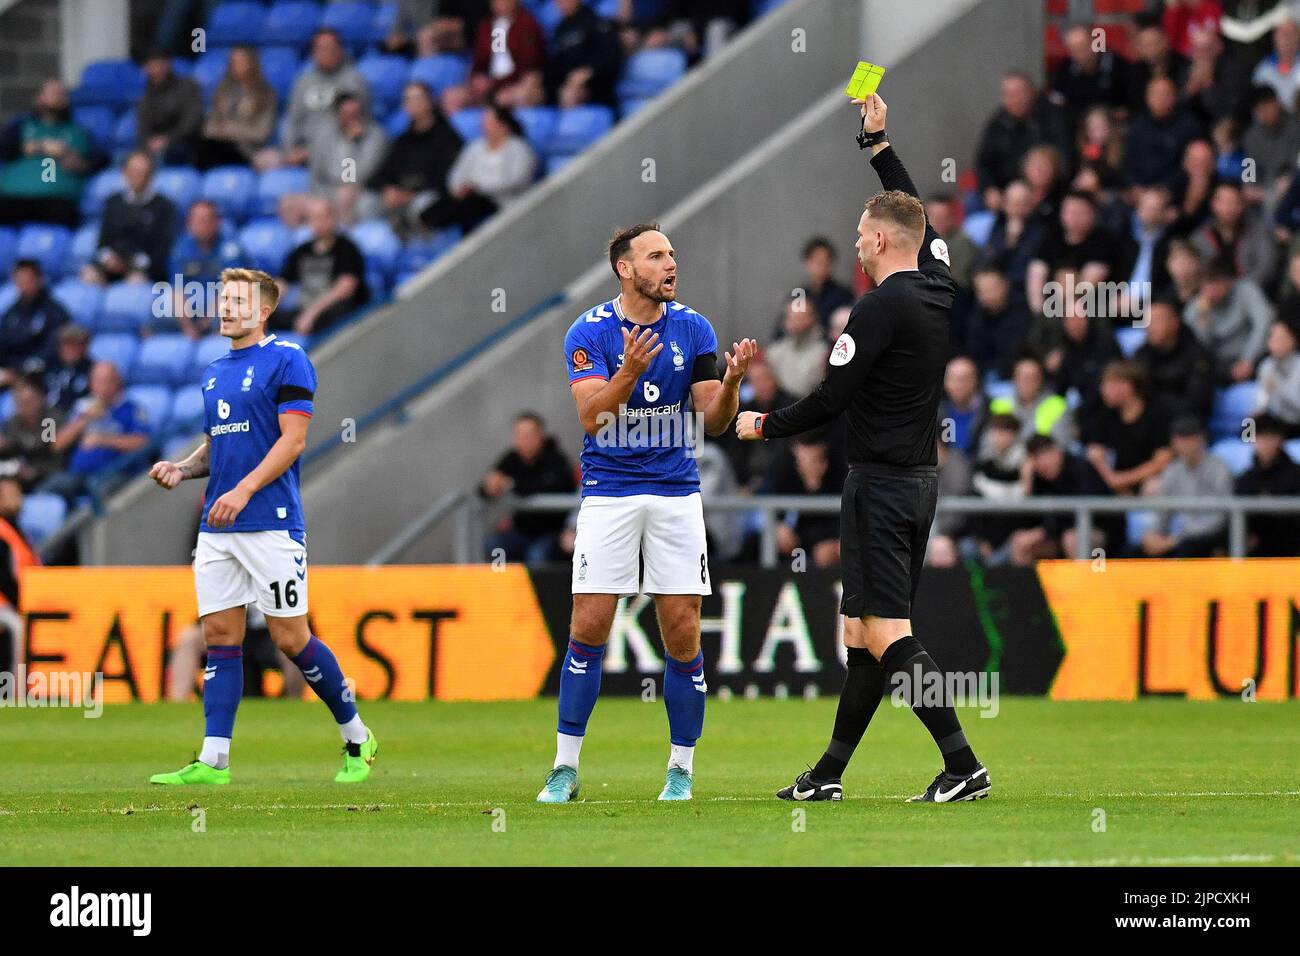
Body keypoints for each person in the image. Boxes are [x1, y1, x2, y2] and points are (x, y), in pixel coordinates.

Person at [737, 92, 990, 804]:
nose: (855, 241)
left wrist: (763, 424)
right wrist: (877, 144)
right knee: (862, 630)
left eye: (859, 232)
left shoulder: (877, 308)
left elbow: (829, 399)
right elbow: (912, 209)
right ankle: (830, 774)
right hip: (917, 482)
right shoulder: (938, 284)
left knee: (883, 630)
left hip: (878, 484)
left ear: (879, 243)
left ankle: (962, 762)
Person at [537, 222, 756, 804]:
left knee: (682, 631)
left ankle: (680, 769)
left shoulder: (694, 328)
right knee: (588, 626)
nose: (670, 264)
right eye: (656, 256)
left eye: (672, 255)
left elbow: (712, 419)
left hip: (676, 493)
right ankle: (565, 768)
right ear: (625, 268)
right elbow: (592, 418)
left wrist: (731, 384)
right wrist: (629, 373)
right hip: (609, 490)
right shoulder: (589, 331)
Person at [145, 267, 377, 785]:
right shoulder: (214, 371)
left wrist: (244, 489)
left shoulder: (288, 359)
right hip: (217, 526)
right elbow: (219, 444)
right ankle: (214, 759)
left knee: (291, 638)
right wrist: (183, 469)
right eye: (223, 300)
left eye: (237, 301)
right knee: (218, 635)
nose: (225, 308)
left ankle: (358, 737)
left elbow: (292, 441)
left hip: (270, 523)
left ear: (265, 310)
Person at [419, 104, 535, 233]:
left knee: (466, 206)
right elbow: (457, 174)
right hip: (471, 194)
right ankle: (426, 225)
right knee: (440, 204)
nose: (484, 127)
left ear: (503, 125)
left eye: (489, 123)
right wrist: (460, 188)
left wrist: (478, 186)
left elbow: (516, 180)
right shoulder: (475, 148)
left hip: (500, 199)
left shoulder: (519, 149)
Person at [368, 81, 464, 238]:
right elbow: (382, 173)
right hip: (401, 195)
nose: (413, 104)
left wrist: (410, 195)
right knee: (369, 202)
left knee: (423, 204)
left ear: (430, 101)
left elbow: (447, 178)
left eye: (418, 98)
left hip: (432, 197)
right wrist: (387, 189)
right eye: (408, 100)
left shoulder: (447, 137)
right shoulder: (403, 140)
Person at [45, 360, 150, 503]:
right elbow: (56, 445)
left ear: (117, 382)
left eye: (107, 381)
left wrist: (102, 440)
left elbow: (142, 442)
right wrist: (84, 420)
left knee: (103, 493)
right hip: (79, 476)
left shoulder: (130, 409)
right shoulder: (82, 409)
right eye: (97, 381)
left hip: (115, 472)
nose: (102, 386)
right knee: (49, 488)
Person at [268, 29, 370, 171]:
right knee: (264, 161)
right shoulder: (304, 81)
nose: (326, 53)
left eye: (330, 48)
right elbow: (293, 119)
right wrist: (290, 149)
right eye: (320, 49)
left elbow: (356, 126)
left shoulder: (354, 81)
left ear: (340, 50)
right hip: (302, 150)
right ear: (313, 53)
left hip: (338, 152)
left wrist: (313, 152)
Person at [480, 411, 576, 562]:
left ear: (540, 436)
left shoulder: (555, 459)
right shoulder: (511, 459)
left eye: (529, 435)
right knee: (495, 546)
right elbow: (485, 489)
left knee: (537, 556)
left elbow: (550, 485)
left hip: (552, 532)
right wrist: (491, 486)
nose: (524, 440)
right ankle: (503, 585)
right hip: (521, 531)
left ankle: (538, 586)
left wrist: (511, 484)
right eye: (519, 435)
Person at [0, 78, 91, 227]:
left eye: (61, 94)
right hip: (12, 198)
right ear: (39, 98)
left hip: (54, 201)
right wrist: (40, 146)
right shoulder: (20, 127)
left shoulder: (77, 132)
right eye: (52, 93)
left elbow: (89, 163)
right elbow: (6, 148)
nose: (57, 97)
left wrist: (64, 153)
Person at [1141, 415, 1234, 557]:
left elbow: (1220, 518)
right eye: (1180, 440)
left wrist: (1177, 539)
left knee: (1187, 549)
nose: (1185, 444)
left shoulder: (1219, 468)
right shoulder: (1172, 470)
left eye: (1189, 439)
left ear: (1201, 438)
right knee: (1133, 553)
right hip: (1181, 539)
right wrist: (1154, 535)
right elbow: (1163, 511)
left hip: (1210, 538)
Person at [275, 198, 369, 336]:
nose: (318, 223)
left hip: (333, 309)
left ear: (332, 218)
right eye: (313, 219)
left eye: (322, 217)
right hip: (305, 308)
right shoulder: (302, 250)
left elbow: (345, 288)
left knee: (331, 316)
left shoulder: (347, 248)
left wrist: (311, 313)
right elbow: (283, 282)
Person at [1082, 359, 1174, 496]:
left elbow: (1162, 460)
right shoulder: (1104, 416)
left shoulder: (1158, 414)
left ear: (1127, 386)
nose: (1102, 390)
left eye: (1108, 384)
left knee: (1155, 486)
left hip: (1146, 481)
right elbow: (1095, 453)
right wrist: (1112, 479)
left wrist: (1123, 480)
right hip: (1115, 486)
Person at [92, 150, 178, 284]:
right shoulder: (112, 202)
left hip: (145, 268)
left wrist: (134, 262)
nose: (138, 176)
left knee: (135, 284)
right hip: (113, 264)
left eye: (143, 172)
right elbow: (102, 242)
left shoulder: (164, 206)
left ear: (151, 175)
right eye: (133, 171)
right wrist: (108, 258)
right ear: (124, 173)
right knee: (89, 276)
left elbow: (163, 248)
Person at [193, 45, 278, 170]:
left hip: (245, 148)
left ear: (251, 64)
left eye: (240, 61)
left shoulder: (265, 94)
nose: (235, 65)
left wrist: (229, 131)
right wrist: (218, 133)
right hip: (217, 146)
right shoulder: (221, 92)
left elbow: (262, 132)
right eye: (232, 62)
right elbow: (209, 126)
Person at [170, 200, 245, 339]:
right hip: (193, 306)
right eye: (196, 220)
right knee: (158, 315)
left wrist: (204, 323)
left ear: (217, 222)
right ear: (188, 223)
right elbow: (177, 289)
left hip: (223, 304)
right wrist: (187, 328)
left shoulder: (230, 249)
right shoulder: (181, 248)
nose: (201, 225)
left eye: (206, 220)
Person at [1235, 412, 1300, 555]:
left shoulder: (1296, 475)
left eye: (1270, 436)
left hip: (1291, 551)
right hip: (1255, 554)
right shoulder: (1246, 479)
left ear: (1280, 439)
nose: (1265, 443)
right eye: (1260, 437)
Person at [0, 260, 69, 386]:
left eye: (28, 280)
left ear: (39, 279)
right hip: (9, 372)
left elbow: (51, 351)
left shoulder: (54, 312)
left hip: (39, 377)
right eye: (20, 280)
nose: (24, 285)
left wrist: (18, 371)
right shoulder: (11, 312)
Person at [136, 50, 204, 165]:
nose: (155, 69)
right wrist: (148, 143)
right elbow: (143, 126)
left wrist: (168, 139)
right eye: (151, 65)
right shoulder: (145, 95)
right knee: (125, 159)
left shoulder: (187, 87)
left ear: (168, 64)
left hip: (184, 143)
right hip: (154, 144)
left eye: (159, 64)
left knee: (160, 157)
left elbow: (191, 122)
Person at [0, 376, 63, 490]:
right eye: (20, 403)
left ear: (40, 398)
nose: (25, 406)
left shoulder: (50, 419)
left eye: (29, 401)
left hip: (51, 472)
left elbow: (45, 448)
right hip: (22, 474)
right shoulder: (14, 421)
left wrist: (32, 470)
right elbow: (11, 446)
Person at [765, 297, 828, 397]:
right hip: (781, 408)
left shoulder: (824, 353)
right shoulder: (774, 352)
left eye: (801, 318)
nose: (796, 323)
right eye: (792, 318)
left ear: (813, 318)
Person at [1254, 318, 1300, 430]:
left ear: (1293, 340)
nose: (1275, 343)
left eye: (1280, 338)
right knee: (1249, 425)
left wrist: (1278, 388)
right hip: (1277, 422)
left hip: (1296, 422)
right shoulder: (1266, 366)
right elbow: (1262, 400)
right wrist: (1258, 411)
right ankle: (1249, 446)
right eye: (1272, 337)